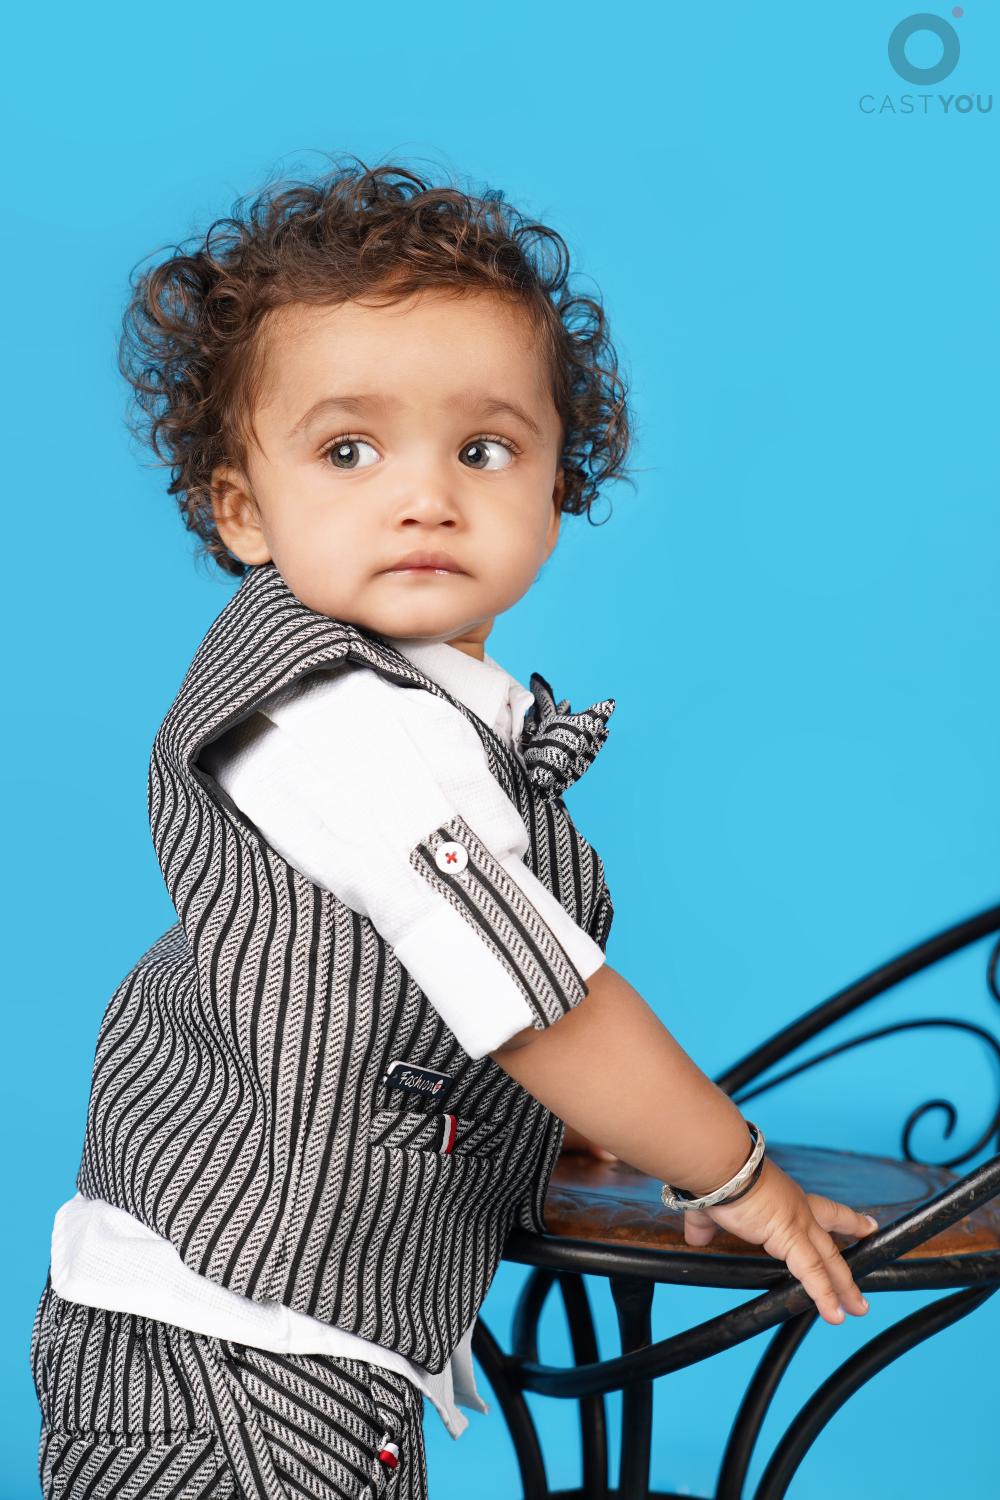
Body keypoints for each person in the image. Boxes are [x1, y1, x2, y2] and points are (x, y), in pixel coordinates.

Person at [30, 154, 877, 1499]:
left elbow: (419, 991)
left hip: (253, 1333)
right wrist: (739, 1176)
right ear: (241, 508)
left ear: (558, 493)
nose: (425, 496)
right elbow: (543, 1007)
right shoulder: (346, 718)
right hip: (245, 1349)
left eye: (484, 450)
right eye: (348, 451)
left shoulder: (403, 704)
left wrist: (533, 1121)